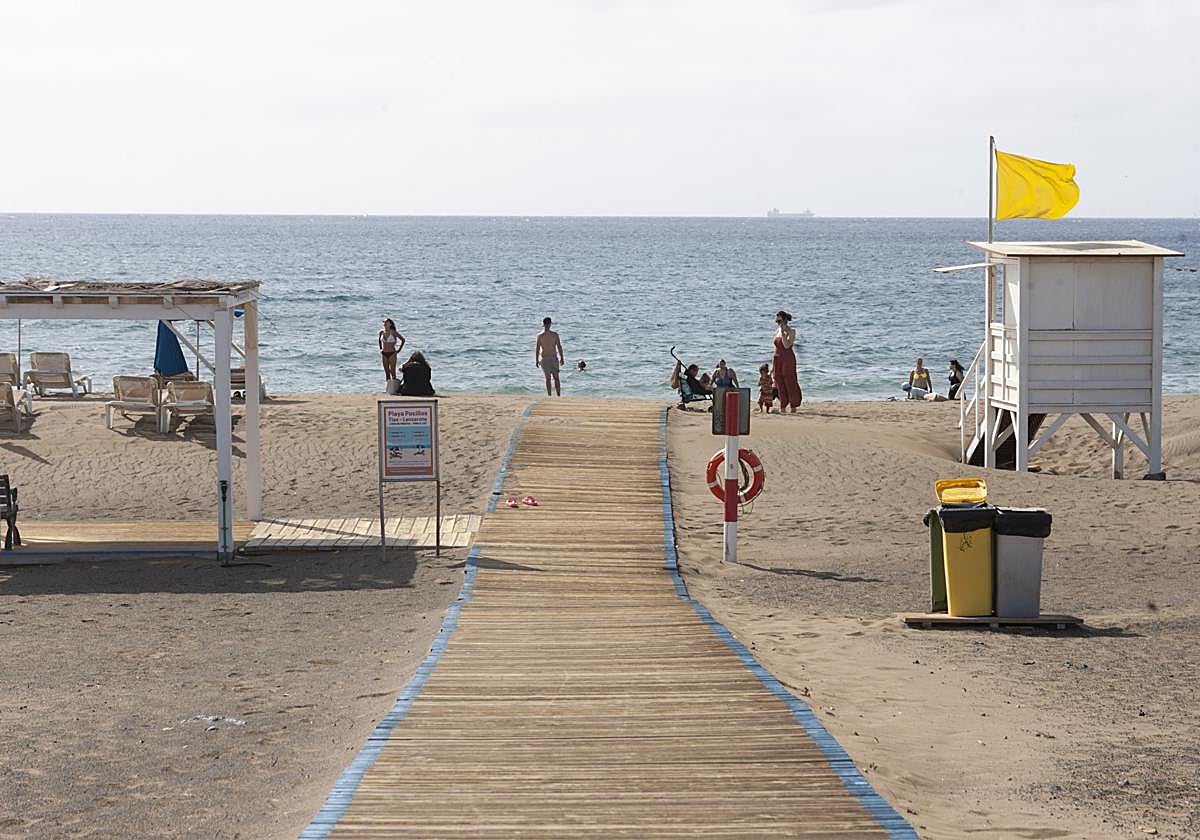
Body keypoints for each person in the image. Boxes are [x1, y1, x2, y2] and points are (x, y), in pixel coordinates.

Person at [772, 310, 802, 412]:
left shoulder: (792, 331)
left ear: (785, 320)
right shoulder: (778, 330)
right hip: (777, 358)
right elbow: (775, 346)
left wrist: (784, 334)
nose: (778, 324)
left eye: (780, 321)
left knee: (789, 381)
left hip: (787, 358)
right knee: (778, 380)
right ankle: (783, 405)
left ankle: (793, 405)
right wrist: (773, 366)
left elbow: (786, 345)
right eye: (777, 322)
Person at [535, 317, 565, 396]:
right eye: (547, 324)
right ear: (544, 324)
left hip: (553, 358)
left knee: (556, 378)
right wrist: (536, 360)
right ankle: (549, 396)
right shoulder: (540, 336)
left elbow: (559, 346)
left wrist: (562, 358)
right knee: (548, 378)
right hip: (545, 359)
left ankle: (558, 395)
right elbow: (537, 348)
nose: (548, 325)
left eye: (549, 324)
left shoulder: (554, 335)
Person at [378, 319, 405, 383]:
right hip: (384, 353)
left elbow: (403, 340)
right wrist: (380, 349)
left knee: (393, 371)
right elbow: (379, 340)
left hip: (392, 353)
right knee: (387, 372)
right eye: (384, 322)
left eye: (386, 322)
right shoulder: (381, 332)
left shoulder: (393, 332)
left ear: (390, 324)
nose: (385, 323)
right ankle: (388, 388)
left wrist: (399, 350)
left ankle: (394, 387)